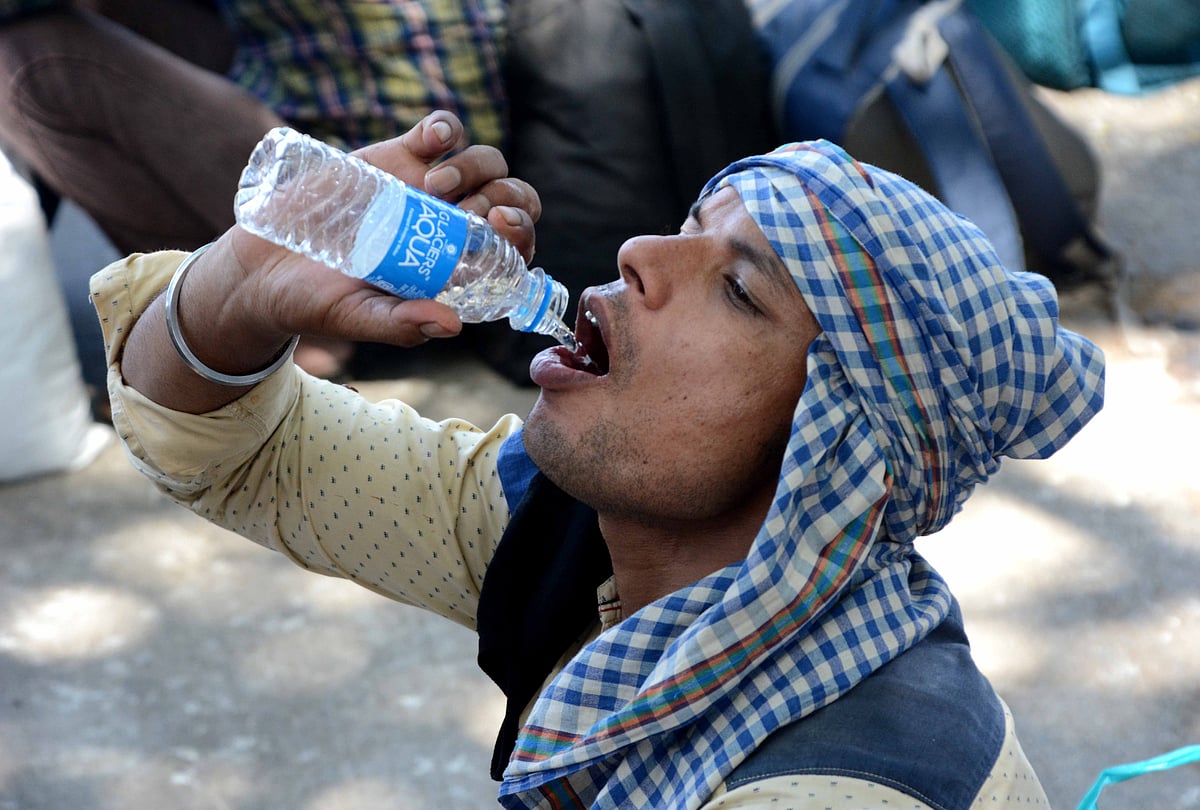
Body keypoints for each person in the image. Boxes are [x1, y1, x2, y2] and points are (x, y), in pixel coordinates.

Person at [91, 110, 1105, 808]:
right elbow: (243, 454)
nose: (636, 255)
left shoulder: (830, 785)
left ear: (827, 446)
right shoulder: (601, 544)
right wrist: (241, 288)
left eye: (739, 289)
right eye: (687, 229)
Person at [0, 0, 506, 380]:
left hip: (389, 189)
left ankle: (283, 335)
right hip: (330, 100)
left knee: (26, 60)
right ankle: (224, 311)